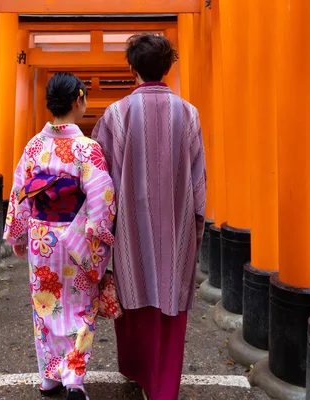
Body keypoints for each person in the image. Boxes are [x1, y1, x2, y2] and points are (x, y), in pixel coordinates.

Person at [92, 34, 207, 400]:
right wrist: (197, 229)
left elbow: (102, 182)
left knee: (136, 302)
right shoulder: (188, 113)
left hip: (130, 230)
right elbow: (198, 180)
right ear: (168, 67)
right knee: (171, 307)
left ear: (132, 68)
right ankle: (164, 387)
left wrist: (100, 237)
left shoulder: (116, 114)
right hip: (177, 227)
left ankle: (140, 374)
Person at [3, 72, 116, 400]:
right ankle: (73, 377)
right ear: (78, 99)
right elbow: (102, 197)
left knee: (45, 305)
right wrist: (98, 241)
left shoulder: (34, 146)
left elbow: (19, 192)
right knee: (80, 306)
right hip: (76, 239)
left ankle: (49, 377)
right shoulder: (87, 148)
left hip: (42, 237)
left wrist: (19, 235)